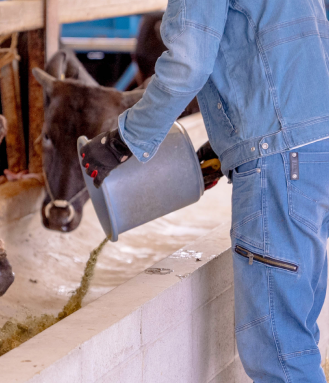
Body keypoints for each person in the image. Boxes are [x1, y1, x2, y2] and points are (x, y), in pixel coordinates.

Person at [80, 0, 329, 381]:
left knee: (280, 355)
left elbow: (187, 65)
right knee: (298, 333)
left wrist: (122, 141)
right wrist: (230, 144)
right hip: (317, 149)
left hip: (279, 162)